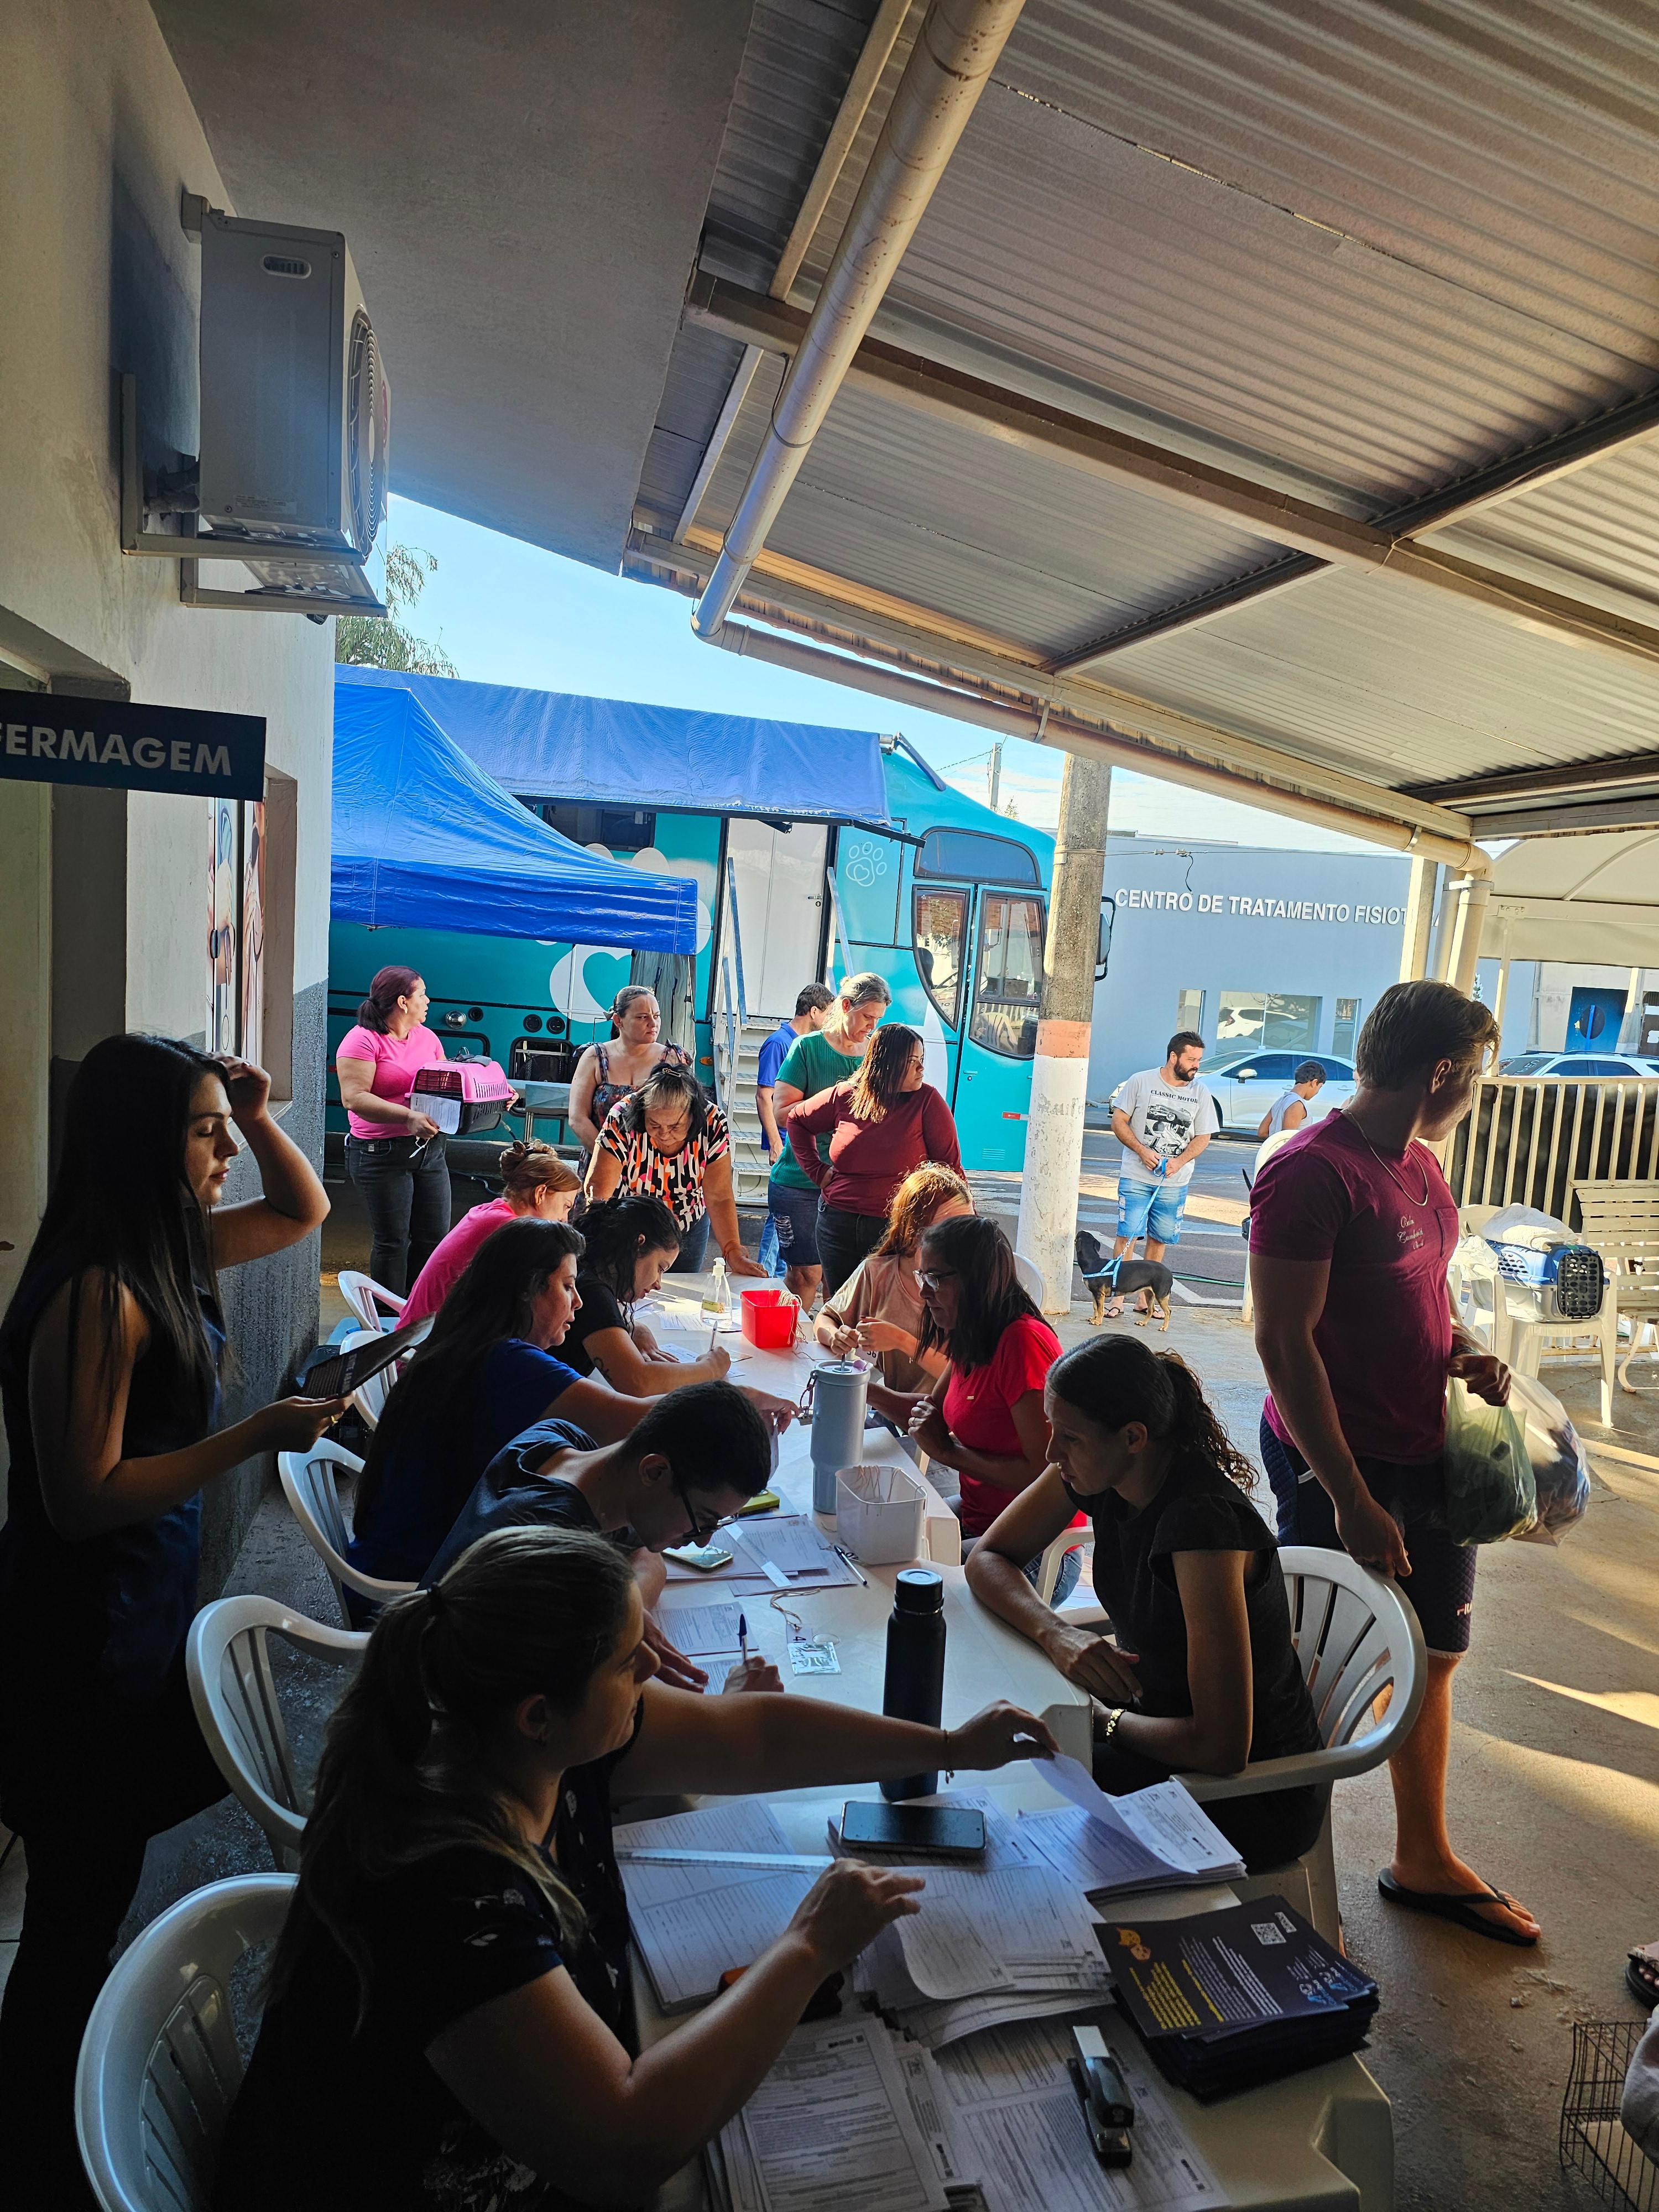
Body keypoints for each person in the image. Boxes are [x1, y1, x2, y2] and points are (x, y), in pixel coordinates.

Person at [212, 1524, 1057, 2212]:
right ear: (538, 1714)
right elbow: (623, 2151)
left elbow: (754, 1738)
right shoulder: (448, 1890)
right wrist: (807, 1948)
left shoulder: (525, 1745)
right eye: (628, 1661)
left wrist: (950, 1747)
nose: (654, 1668)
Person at [0, 1035, 342, 2205]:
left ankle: (52, 2103)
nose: (220, 1153)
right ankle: (39, 2143)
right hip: (79, 1637)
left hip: (138, 1610)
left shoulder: (167, 1247)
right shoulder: (100, 1286)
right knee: (73, 1914)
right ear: (141, 1144)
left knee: (95, 1887)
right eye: (202, 1132)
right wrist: (255, 1435)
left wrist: (257, 1112)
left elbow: (302, 1210)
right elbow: (82, 1495)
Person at [1249, 979, 1537, 1946]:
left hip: (1425, 1446)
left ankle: (1422, 1857)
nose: (1475, 1095)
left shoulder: (1420, 1165)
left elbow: (1419, 1289)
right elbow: (1282, 1341)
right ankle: (1279, 1867)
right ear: (1441, 1071)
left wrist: (1461, 1347)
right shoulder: (1311, 1172)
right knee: (1316, 1663)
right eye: (1476, 1077)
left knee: (1437, 1653)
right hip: (1342, 1458)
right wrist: (1347, 1496)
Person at [967, 1336, 1324, 1874]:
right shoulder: (1101, 1471)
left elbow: (1222, 1747)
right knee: (1006, 1751)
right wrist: (1057, 1634)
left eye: (1069, 1438)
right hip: (1160, 1729)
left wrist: (1103, 1722)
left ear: (1134, 1437)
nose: (1051, 1453)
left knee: (1018, 1782)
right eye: (1052, 1430)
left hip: (1251, 1793)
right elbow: (988, 1558)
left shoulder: (1201, 1528)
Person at [346, 1220, 654, 1594]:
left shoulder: (467, 1339)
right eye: (567, 1286)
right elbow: (639, 1423)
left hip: (398, 1562)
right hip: (416, 1592)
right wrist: (721, 1387)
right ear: (528, 1289)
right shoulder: (508, 1363)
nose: (579, 1302)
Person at [426, 1380, 784, 1694]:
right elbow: (629, 1723)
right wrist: (738, 1708)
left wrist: (628, 1607)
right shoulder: (558, 1559)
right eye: (702, 1520)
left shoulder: (564, 1444)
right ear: (654, 1471)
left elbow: (647, 1554)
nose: (703, 1541)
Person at [899, 1215, 1081, 1599]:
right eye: (922, 1277)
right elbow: (927, 1415)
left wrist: (950, 1453)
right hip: (980, 1518)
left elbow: (1048, 1474)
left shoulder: (1021, 1343)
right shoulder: (972, 1335)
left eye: (936, 1279)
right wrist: (859, 1388)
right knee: (889, 1540)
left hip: (1039, 1546)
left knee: (914, 1583)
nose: (924, 1292)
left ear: (976, 1280)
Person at [786, 1025, 963, 1298]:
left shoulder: (927, 1101)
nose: (921, 1069)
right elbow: (797, 1120)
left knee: (887, 1307)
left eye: (921, 1060)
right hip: (838, 1224)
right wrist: (817, 1171)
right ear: (887, 1062)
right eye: (912, 1061)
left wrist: (965, 1225)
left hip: (895, 1228)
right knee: (842, 1305)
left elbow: (950, 1169)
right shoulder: (845, 1095)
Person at [765, 971, 891, 1309]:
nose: (872, 1026)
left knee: (845, 1281)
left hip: (853, 1187)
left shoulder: (875, 1055)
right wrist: (834, 1112)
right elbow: (782, 1113)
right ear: (846, 1006)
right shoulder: (807, 1047)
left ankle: (831, 1341)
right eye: (867, 1017)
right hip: (799, 1181)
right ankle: (789, 1337)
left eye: (878, 1019)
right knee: (806, 1275)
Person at [816, 1164, 973, 1419]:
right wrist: (836, 1336)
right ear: (914, 1232)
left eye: (969, 1227)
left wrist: (902, 1341)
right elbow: (826, 1317)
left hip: (950, 1418)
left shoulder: (975, 1284)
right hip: (895, 1412)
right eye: (949, 1230)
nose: (963, 1242)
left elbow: (969, 1380)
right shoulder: (878, 1273)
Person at [336, 966, 455, 1295]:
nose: (428, 1001)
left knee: (434, 1237)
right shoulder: (362, 1040)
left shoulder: (427, 1037)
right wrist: (407, 1117)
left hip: (429, 1151)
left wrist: (495, 1091)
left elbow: (448, 1083)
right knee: (393, 1242)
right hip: (380, 1155)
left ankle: (417, 1310)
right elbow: (353, 1098)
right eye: (423, 994)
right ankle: (389, 1317)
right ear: (403, 1002)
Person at [587, 1065, 764, 1277]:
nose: (664, 1134)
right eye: (654, 1124)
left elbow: (719, 1196)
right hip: (629, 1222)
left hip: (687, 1220)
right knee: (626, 1284)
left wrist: (733, 1251)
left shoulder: (713, 1123)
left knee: (683, 1286)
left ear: (692, 1115)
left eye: (675, 1127)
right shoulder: (623, 1116)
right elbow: (598, 1191)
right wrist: (601, 1243)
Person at [562, 1192, 733, 1394]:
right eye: (660, 1268)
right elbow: (638, 1382)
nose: (658, 1284)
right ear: (638, 1246)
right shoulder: (592, 1292)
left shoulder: (587, 1269)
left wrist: (631, 1326)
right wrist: (711, 1368)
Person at [401, 1141, 581, 1327]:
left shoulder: (492, 1210)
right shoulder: (510, 1227)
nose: (565, 1219)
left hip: (419, 1326)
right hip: (432, 1334)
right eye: (566, 1206)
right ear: (540, 1194)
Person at [1107, 1030, 1219, 1318]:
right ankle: (1117, 1298)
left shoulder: (1200, 1092)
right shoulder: (1141, 1081)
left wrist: (1179, 1162)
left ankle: (1145, 1300)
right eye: (1191, 1060)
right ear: (1173, 1057)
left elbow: (1204, 1136)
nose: (1196, 1066)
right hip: (1136, 1175)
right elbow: (1119, 1121)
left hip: (1174, 1181)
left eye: (1199, 1060)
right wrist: (1142, 1151)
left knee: (1159, 1239)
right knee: (1127, 1235)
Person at [567, 987, 692, 1154]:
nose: (653, 1024)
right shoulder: (595, 1057)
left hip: (656, 1163)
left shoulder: (673, 1059)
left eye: (656, 1016)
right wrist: (608, 1159)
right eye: (642, 1017)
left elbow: (686, 1115)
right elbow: (577, 1118)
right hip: (600, 1160)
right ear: (619, 1021)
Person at [755, 982, 834, 1168]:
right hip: (785, 1141)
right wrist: (776, 1143)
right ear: (814, 1012)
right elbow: (764, 1096)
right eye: (828, 1015)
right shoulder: (779, 1043)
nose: (830, 1021)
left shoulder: (808, 1045)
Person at [1256, 1061, 1327, 1141]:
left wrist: (1275, 1140)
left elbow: (1262, 1132)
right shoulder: (1296, 1104)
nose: (1317, 1092)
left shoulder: (1282, 1100)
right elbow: (1287, 1141)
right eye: (1320, 1087)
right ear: (1314, 1082)